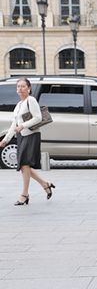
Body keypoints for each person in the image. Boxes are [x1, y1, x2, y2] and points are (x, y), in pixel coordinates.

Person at [0, 77, 55, 205]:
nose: (20, 88)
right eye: (18, 86)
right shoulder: (19, 105)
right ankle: (45, 184)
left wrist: (23, 125)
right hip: (22, 136)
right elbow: (15, 123)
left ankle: (24, 194)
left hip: (31, 135)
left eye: (23, 86)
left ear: (29, 88)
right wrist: (6, 139)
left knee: (24, 165)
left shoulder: (31, 100)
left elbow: (38, 118)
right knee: (24, 166)